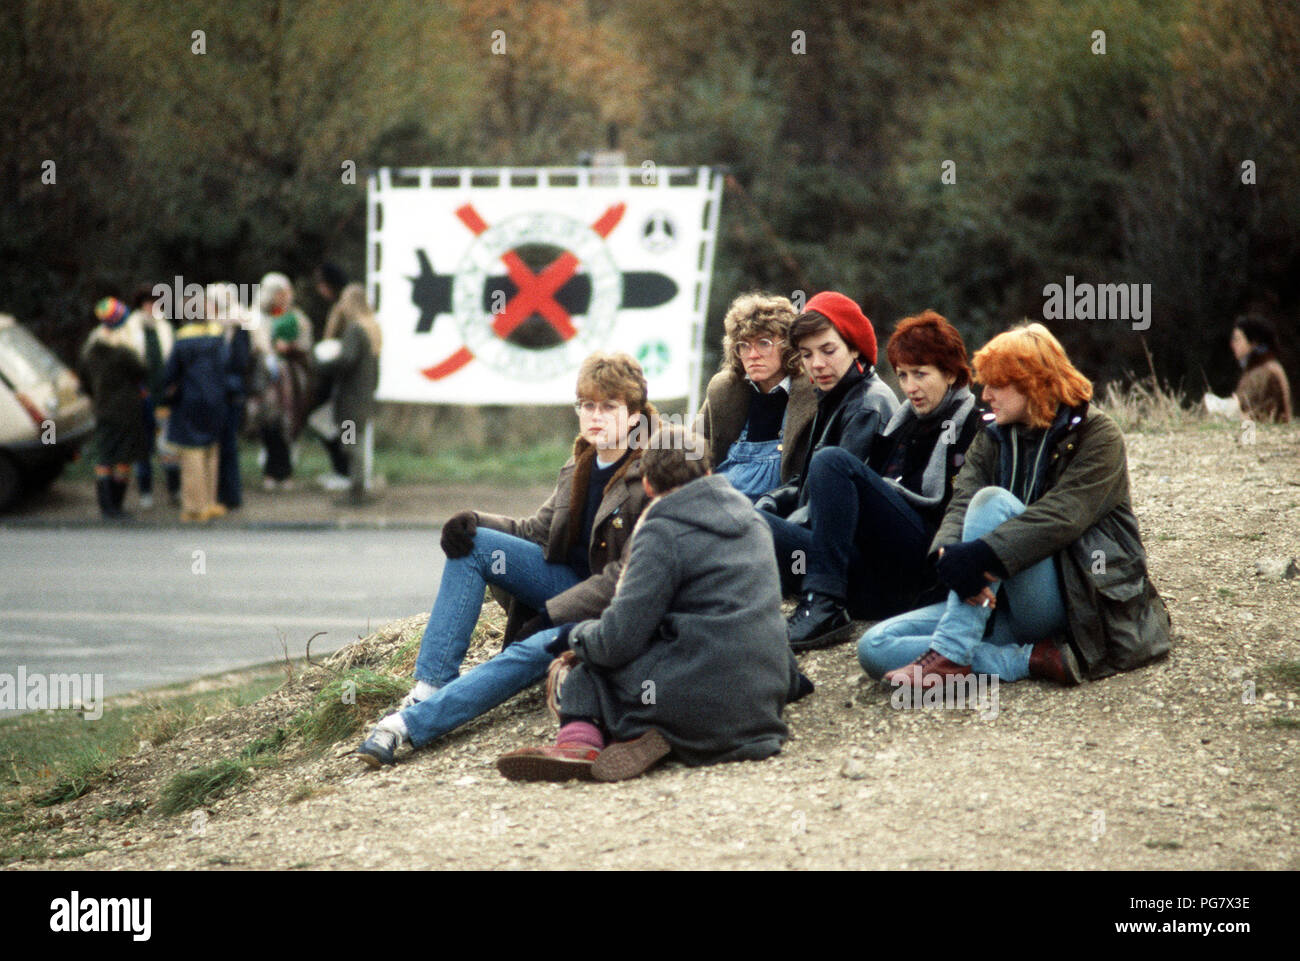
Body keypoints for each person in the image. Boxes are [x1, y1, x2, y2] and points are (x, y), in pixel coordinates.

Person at [353, 353, 658, 767]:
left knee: (531, 649)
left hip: (615, 611)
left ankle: (404, 726)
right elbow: (536, 531)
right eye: (587, 405)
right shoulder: (580, 464)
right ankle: (429, 685)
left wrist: (551, 614)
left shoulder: (652, 474)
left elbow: (629, 575)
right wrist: (475, 521)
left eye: (609, 407)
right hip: (568, 589)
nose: (596, 417)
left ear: (635, 415)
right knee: (475, 544)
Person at [860, 322, 1172, 689]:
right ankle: (1031, 658)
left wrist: (980, 555)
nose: (985, 394)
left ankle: (951, 655)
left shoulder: (1097, 436)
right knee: (875, 647)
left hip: (1069, 603)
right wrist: (949, 556)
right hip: (996, 602)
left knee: (991, 503)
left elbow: (1061, 515)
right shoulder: (992, 435)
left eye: (996, 384)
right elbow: (959, 503)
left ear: (1033, 382)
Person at [495, 425, 796, 783]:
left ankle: (585, 742)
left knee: (585, 670)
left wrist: (576, 637)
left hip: (695, 697)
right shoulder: (754, 522)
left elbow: (617, 641)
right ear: (710, 473)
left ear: (649, 485)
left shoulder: (661, 531)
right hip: (762, 702)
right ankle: (656, 733)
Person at [783, 310, 982, 649]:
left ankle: (824, 603)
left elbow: (966, 509)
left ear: (950, 374)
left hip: (923, 561)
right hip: (872, 575)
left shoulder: (974, 425)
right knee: (752, 523)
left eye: (921, 374)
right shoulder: (901, 424)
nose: (910, 387)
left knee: (830, 461)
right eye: (903, 376)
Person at [752, 291, 899, 644]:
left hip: (849, 561)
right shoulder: (836, 396)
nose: (816, 364)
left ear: (854, 348)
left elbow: (833, 505)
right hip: (825, 547)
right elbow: (804, 482)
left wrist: (776, 526)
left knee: (739, 521)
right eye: (806, 355)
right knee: (742, 509)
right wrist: (773, 500)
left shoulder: (868, 403)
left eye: (828, 350)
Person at [693, 292, 817, 500]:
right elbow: (691, 455)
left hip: (781, 515)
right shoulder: (724, 391)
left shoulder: (812, 392)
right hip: (718, 508)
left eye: (764, 343)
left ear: (788, 346)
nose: (752, 355)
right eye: (744, 345)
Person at [78, 297, 148, 519]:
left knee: (105, 456)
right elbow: (142, 372)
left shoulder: (90, 351)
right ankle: (116, 505)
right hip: (126, 413)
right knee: (122, 459)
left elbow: (84, 382)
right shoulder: (125, 352)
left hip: (102, 410)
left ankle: (105, 505)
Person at [312, 285, 381, 505]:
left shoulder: (355, 330)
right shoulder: (372, 327)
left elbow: (347, 359)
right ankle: (358, 487)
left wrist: (322, 364)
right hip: (364, 395)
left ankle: (356, 491)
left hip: (350, 398)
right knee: (355, 440)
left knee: (351, 443)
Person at [163, 296, 227, 523]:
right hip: (216, 400)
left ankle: (194, 507)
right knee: (211, 450)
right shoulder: (218, 336)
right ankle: (210, 502)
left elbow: (170, 373)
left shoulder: (182, 340)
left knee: (192, 454)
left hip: (190, 401)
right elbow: (225, 365)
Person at [250, 274, 314, 490]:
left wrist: (292, 347)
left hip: (289, 377)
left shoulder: (297, 318)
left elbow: (306, 344)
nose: (285, 297)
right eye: (280, 293)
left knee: (287, 422)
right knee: (268, 422)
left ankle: (284, 471)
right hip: (265, 378)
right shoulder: (257, 318)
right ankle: (270, 470)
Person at [122, 286, 178, 508]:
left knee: (169, 448)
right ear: (140, 304)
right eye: (147, 302)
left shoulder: (166, 328)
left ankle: (175, 490)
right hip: (140, 396)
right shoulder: (129, 328)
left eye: (156, 302)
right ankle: (145, 492)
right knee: (143, 447)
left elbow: (174, 360)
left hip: (164, 397)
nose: (152, 307)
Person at [1229, 314, 1292, 423]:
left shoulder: (1265, 371)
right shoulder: (1258, 368)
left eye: (1237, 339)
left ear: (1253, 343)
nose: (1233, 344)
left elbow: (1254, 415)